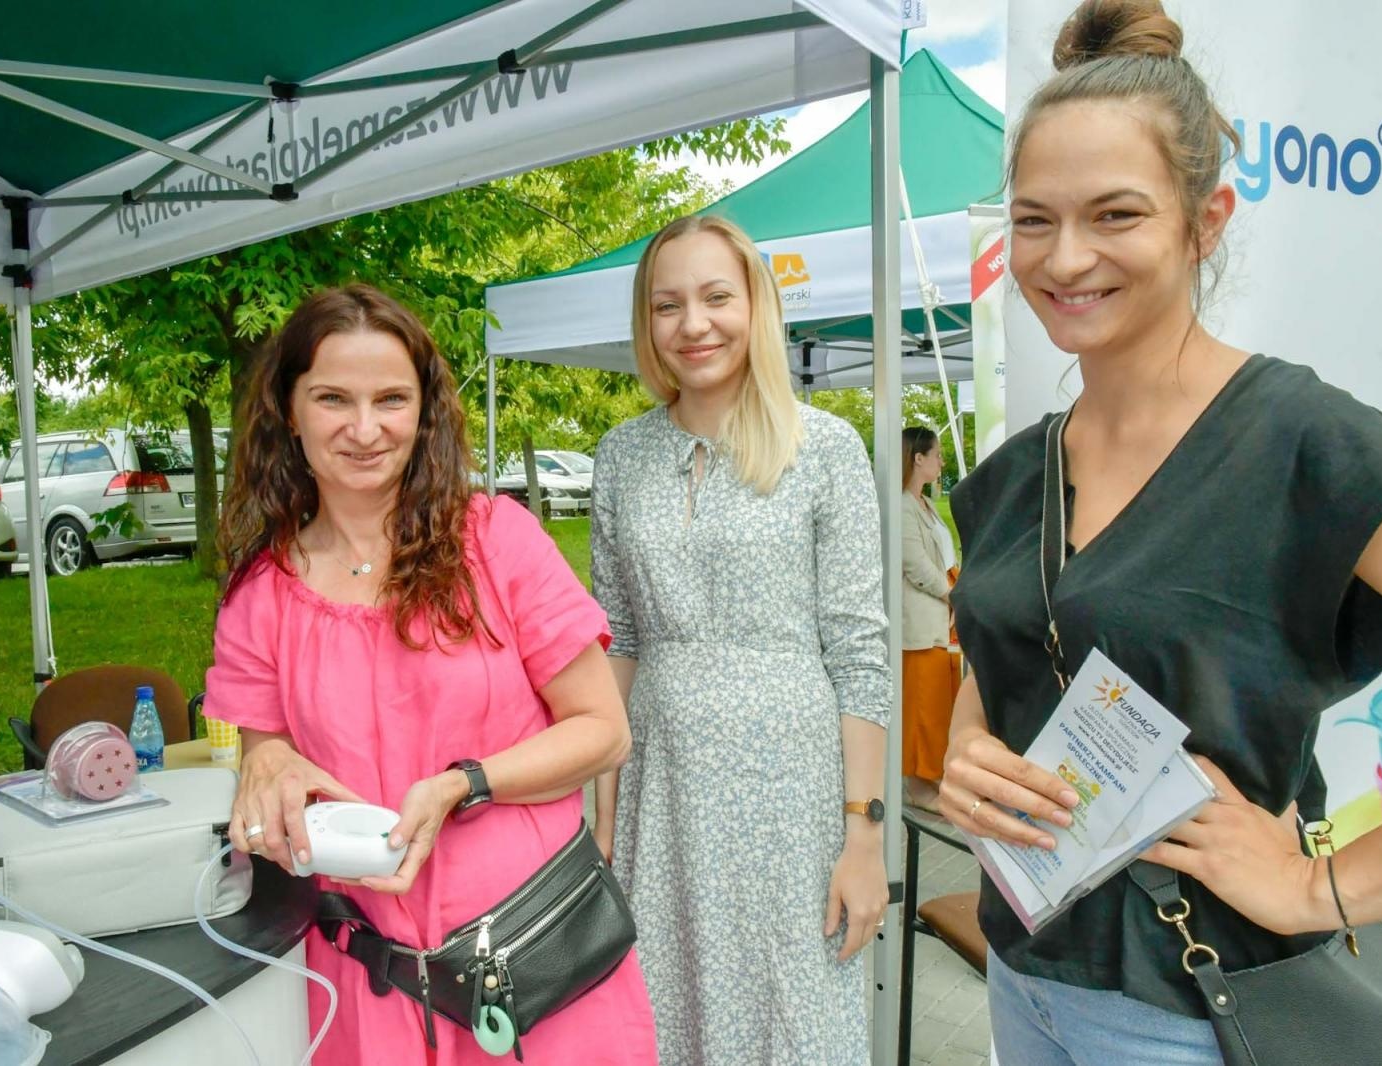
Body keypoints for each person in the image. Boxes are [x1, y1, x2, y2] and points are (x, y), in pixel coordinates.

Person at [941, 2, 1382, 1063]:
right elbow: (1005, 655)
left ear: (1205, 220)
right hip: (1023, 975)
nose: (1064, 258)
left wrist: (1318, 884)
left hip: (1200, 1009)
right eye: (1033, 219)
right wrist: (970, 746)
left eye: (1115, 214)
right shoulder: (1016, 473)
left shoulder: (1299, 442)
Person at [205, 284, 658, 1066]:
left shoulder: (497, 541)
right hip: (364, 984)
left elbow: (602, 731)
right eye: (332, 399)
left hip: (531, 965)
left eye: (391, 399)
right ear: (288, 409)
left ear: (424, 411)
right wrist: (267, 767)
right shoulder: (260, 593)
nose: (364, 428)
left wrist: (462, 784)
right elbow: (263, 752)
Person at [589, 214, 891, 1066]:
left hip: (793, 796)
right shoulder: (620, 455)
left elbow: (860, 655)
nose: (694, 324)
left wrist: (863, 838)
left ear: (755, 304)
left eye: (717, 296)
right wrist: (603, 815)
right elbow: (617, 638)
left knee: (794, 1015)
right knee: (665, 1010)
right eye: (667, 304)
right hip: (662, 784)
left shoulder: (824, 446)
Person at [900, 426, 960, 813]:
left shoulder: (922, 503)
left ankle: (933, 776)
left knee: (940, 704)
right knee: (923, 706)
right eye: (936, 455)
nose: (941, 462)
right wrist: (949, 592)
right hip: (924, 621)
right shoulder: (901, 504)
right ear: (918, 458)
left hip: (943, 617)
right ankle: (919, 786)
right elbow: (914, 563)